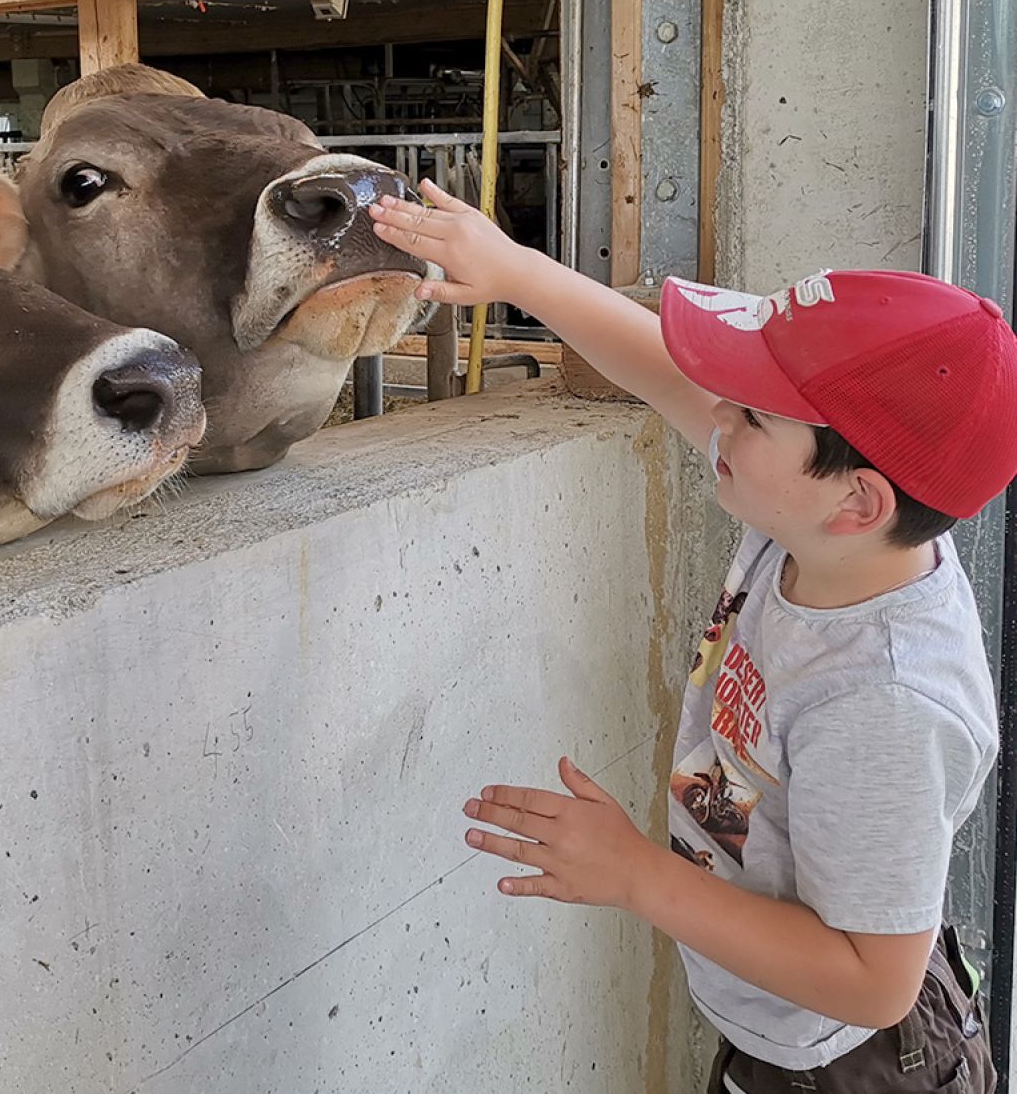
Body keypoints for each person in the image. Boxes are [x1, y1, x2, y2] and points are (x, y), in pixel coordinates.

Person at [369, 181, 1017, 1092]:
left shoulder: (886, 699)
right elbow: (664, 371)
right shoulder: (811, 523)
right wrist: (516, 271)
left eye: (751, 414)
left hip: (845, 1067)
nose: (718, 414)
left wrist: (636, 875)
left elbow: (875, 983)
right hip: (778, 1029)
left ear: (857, 499)